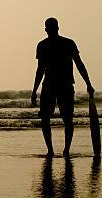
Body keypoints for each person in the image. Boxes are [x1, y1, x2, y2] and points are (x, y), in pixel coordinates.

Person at [31, 18, 94, 157]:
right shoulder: (55, 44)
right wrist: (34, 90)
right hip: (55, 86)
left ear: (51, 29)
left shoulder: (56, 44)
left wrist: (88, 83)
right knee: (57, 119)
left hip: (58, 86)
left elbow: (78, 64)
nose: (49, 30)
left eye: (49, 28)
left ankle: (58, 150)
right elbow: (40, 70)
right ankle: (59, 150)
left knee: (59, 119)